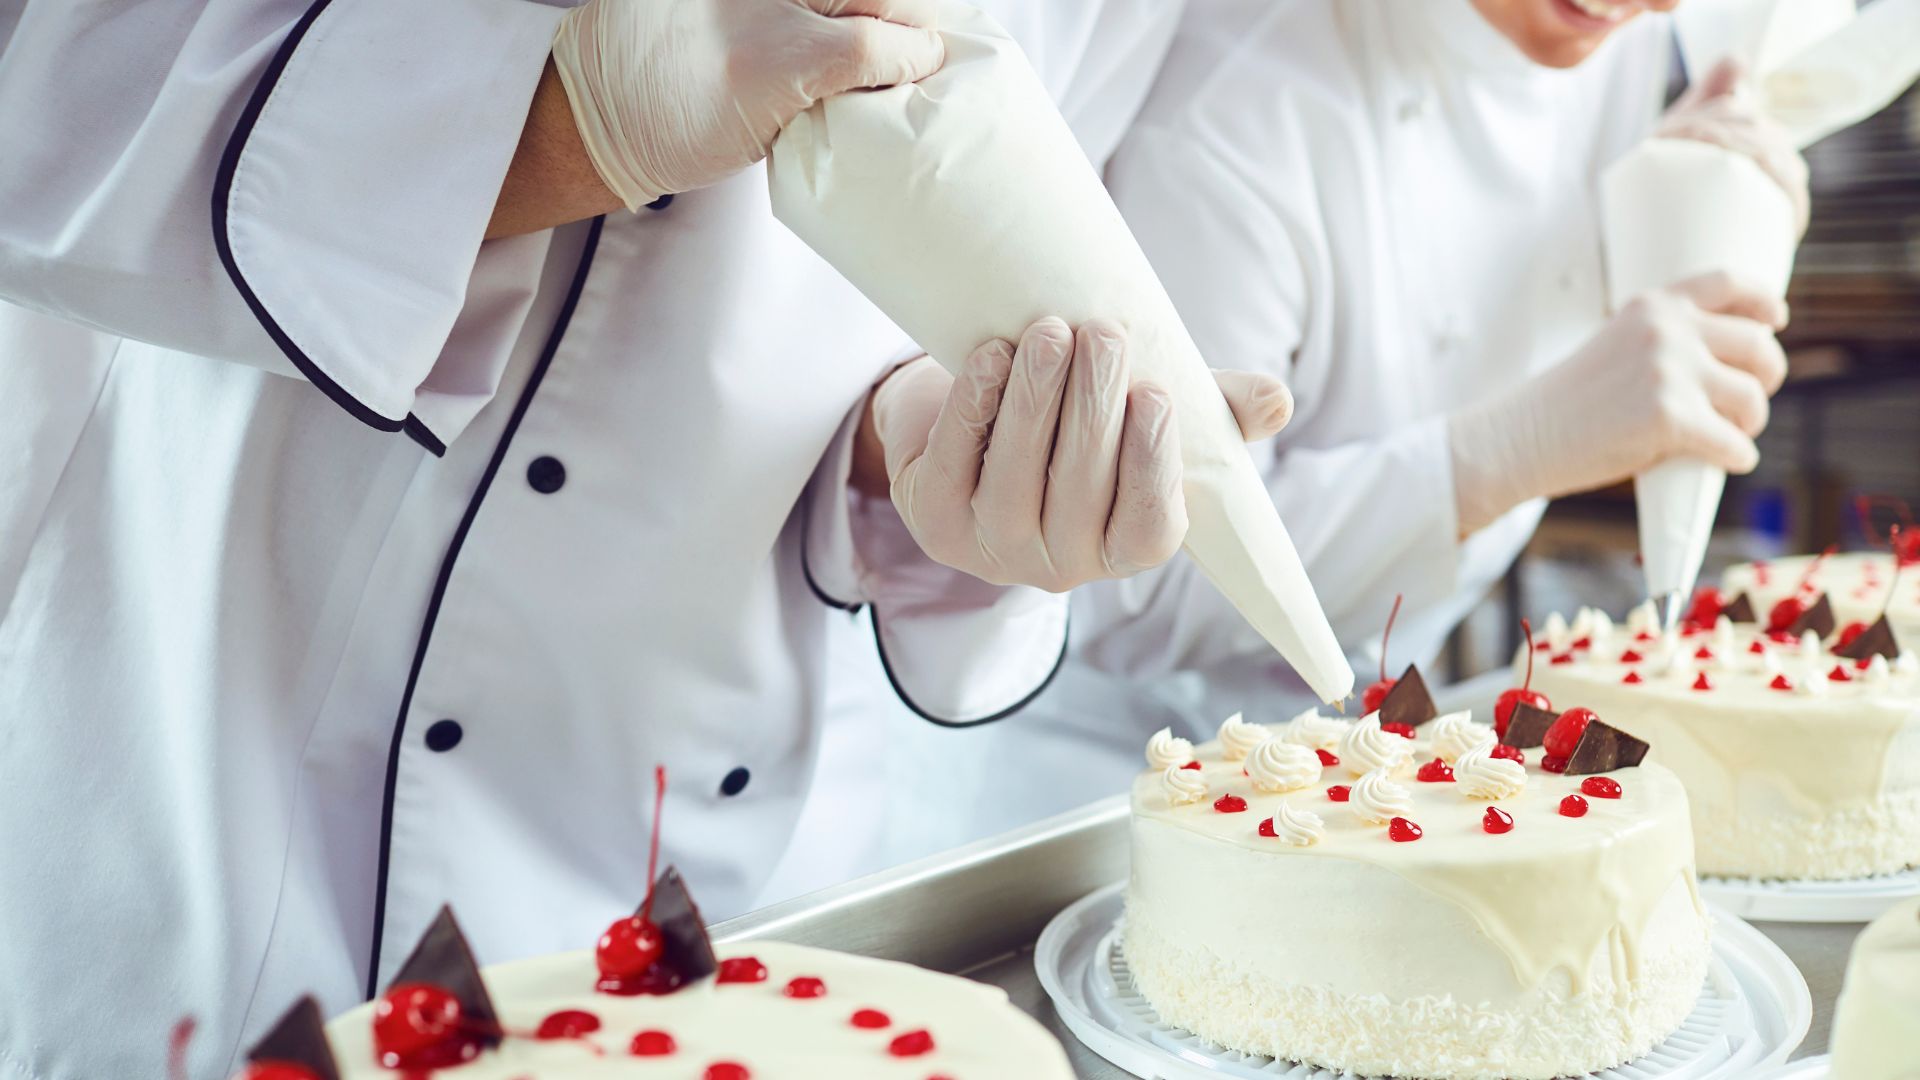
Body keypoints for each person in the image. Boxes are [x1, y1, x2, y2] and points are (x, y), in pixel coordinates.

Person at [0, 0, 1292, 1075]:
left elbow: (927, 289)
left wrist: (932, 457)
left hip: (704, 872)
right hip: (202, 759)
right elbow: (41, 88)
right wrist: (556, 132)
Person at [854, 0, 1808, 856]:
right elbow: (1130, 587)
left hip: (1379, 766)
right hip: (1107, 790)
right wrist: (1504, 454)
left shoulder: (1621, 40)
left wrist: (1681, 196)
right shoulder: (1246, 105)